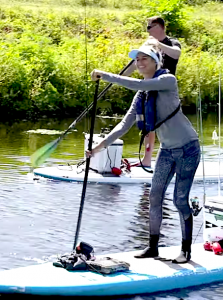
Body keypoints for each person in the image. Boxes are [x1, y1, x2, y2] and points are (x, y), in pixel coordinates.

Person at [88, 45, 200, 263]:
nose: (140, 63)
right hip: (167, 150)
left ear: (156, 62)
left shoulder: (168, 80)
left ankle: (185, 250)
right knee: (154, 196)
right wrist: (97, 148)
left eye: (144, 59)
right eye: (137, 60)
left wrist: (107, 75)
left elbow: (137, 83)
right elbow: (122, 126)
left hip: (188, 148)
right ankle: (153, 247)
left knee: (179, 200)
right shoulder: (142, 95)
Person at [124, 16, 182, 168]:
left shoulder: (172, 42)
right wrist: (118, 78)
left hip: (165, 90)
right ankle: (147, 159)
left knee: (167, 126)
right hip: (148, 88)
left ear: (160, 27)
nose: (147, 31)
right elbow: (132, 66)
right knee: (147, 123)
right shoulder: (147, 45)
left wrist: (158, 45)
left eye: (150, 27)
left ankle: (174, 157)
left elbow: (176, 54)